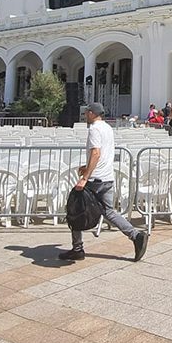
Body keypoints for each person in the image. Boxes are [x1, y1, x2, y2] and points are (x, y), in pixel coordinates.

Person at [59, 103, 148, 262]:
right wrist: (86, 167)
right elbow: (102, 153)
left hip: (95, 179)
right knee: (109, 212)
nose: (85, 115)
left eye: (87, 112)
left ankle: (77, 248)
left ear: (92, 113)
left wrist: (85, 176)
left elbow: (96, 152)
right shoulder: (107, 127)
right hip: (107, 177)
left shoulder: (94, 129)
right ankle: (136, 235)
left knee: (76, 210)